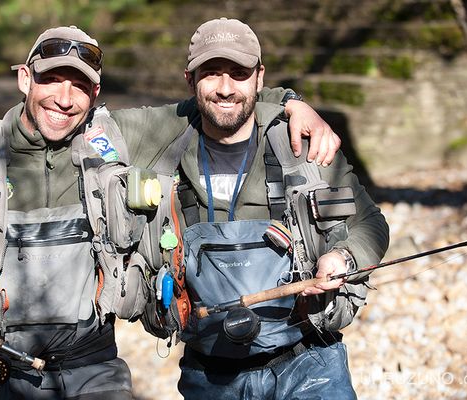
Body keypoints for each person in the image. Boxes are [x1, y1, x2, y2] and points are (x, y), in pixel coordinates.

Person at [0, 25, 342, 399]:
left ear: (96, 92)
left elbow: (222, 100)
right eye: (51, 80)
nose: (65, 98)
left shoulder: (117, 135)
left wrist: (291, 102)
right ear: (25, 78)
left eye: (80, 85)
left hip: (93, 368)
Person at [119, 18, 390, 399]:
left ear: (259, 78)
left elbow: (372, 224)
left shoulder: (302, 145)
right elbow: (71, 117)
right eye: (211, 73)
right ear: (189, 79)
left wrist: (344, 257)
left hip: (309, 359)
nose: (226, 88)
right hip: (209, 372)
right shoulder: (159, 135)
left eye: (240, 73)